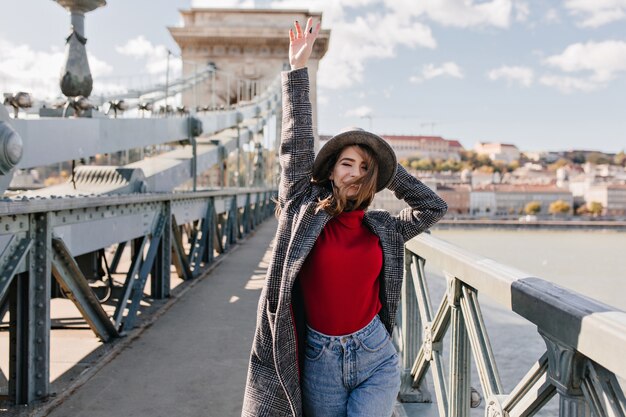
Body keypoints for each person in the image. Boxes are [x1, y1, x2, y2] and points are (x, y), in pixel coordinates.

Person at [242, 18, 448, 417]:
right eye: (347, 163)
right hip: (320, 359)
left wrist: (385, 167)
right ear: (331, 169)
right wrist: (297, 71)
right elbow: (295, 146)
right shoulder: (302, 210)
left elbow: (432, 206)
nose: (354, 172)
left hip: (376, 354)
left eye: (363, 167)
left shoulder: (384, 227)